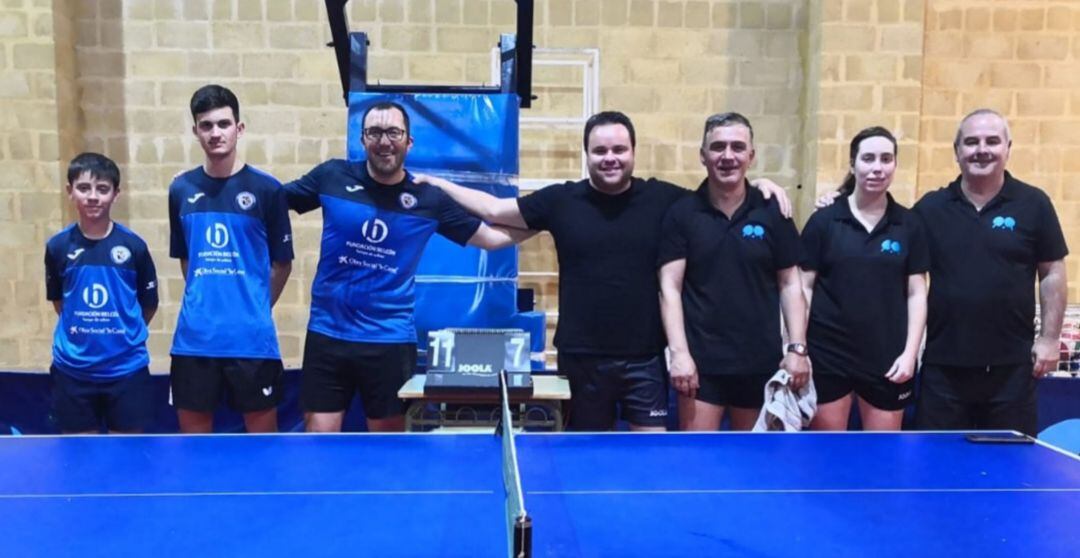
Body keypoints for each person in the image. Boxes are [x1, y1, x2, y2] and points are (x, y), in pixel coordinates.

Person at [417, 111, 793, 431]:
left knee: (653, 461)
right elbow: (495, 211)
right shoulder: (562, 201)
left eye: (618, 150)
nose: (610, 158)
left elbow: (722, 189)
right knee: (585, 460)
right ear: (587, 155)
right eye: (600, 151)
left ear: (633, 153)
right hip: (582, 359)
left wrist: (760, 184)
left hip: (645, 359)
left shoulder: (666, 200)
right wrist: (437, 185)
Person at [283, 101, 530, 433]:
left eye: (394, 132)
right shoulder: (332, 176)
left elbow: (491, 238)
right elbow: (273, 201)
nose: (384, 141)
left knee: (388, 450)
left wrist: (551, 217)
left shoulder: (428, 200)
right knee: (319, 441)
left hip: (389, 340)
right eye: (375, 132)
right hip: (328, 335)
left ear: (408, 141)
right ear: (363, 139)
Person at [913, 109, 1068, 435]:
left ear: (1008, 148)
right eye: (971, 142)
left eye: (992, 141)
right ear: (957, 151)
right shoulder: (930, 208)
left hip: (1012, 368)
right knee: (940, 467)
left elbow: (1052, 271)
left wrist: (1050, 339)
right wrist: (836, 200)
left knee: (1009, 469)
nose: (981, 149)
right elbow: (889, 235)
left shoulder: (1034, 203)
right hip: (944, 368)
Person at [658, 112, 809, 431]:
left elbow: (790, 284)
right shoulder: (682, 214)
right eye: (718, 147)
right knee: (697, 466)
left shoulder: (773, 211)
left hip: (760, 365)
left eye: (738, 147)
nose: (728, 156)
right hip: (701, 368)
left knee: (753, 468)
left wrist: (797, 348)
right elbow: (669, 288)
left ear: (751, 156)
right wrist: (679, 355)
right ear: (703, 155)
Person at [168, 84, 294, 433]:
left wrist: (254, 306)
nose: (215, 133)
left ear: (239, 128)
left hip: (252, 342)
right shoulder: (180, 190)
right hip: (195, 341)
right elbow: (186, 261)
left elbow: (282, 264)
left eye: (223, 124)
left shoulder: (267, 190)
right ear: (195, 131)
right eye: (206, 126)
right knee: (194, 453)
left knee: (262, 453)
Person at [799, 127, 929, 431]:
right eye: (868, 158)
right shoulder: (824, 221)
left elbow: (917, 293)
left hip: (887, 357)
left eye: (886, 159)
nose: (877, 167)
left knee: (883, 457)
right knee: (827, 456)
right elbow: (802, 288)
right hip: (828, 355)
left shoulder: (909, 224)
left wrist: (911, 354)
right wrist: (797, 349)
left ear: (895, 165)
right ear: (852, 164)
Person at [45, 152, 158, 433]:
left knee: (128, 462)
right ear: (70, 192)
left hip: (127, 372)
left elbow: (148, 305)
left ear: (116, 195)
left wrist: (120, 335)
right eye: (84, 188)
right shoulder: (58, 247)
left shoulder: (134, 247)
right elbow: (61, 303)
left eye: (102, 189)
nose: (93, 197)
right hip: (73, 373)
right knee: (81, 461)